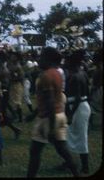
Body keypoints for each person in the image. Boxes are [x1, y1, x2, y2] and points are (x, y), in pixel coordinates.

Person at [26, 47, 79, 177]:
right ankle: (76, 173)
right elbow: (56, 97)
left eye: (41, 57)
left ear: (48, 59)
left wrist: (50, 126)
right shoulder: (57, 73)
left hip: (48, 118)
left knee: (35, 151)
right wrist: (34, 114)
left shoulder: (46, 76)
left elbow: (49, 101)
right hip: (60, 114)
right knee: (62, 149)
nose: (39, 60)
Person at [63, 49, 91, 174]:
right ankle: (68, 162)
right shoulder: (83, 73)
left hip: (77, 107)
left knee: (80, 137)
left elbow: (78, 98)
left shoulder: (75, 75)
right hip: (82, 106)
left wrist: (70, 114)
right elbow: (87, 94)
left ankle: (85, 166)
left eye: (67, 61)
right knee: (72, 135)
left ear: (71, 63)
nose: (65, 63)